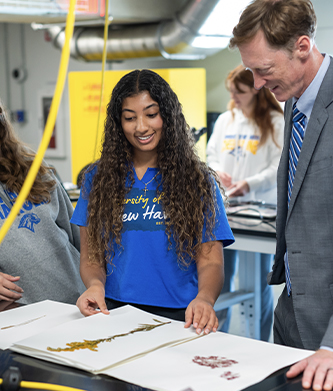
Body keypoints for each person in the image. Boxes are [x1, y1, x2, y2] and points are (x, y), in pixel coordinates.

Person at [230, 0, 333, 391]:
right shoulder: (295, 99)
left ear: (303, 47)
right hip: (293, 313)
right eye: (250, 71)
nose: (257, 84)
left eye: (264, 70)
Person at [71, 69, 234, 334]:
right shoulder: (97, 178)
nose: (141, 127)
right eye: (129, 118)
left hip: (182, 315)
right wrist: (95, 285)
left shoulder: (198, 180)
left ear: (166, 116)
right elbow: (91, 255)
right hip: (112, 310)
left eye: (151, 114)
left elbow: (211, 261)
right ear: (118, 123)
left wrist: (204, 298)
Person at [0, 73, 84, 305]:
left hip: (80, 301)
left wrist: (97, 286)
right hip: (18, 317)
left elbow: (77, 235)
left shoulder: (33, 168)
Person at [206, 65, 284, 340]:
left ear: (256, 89)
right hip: (226, 209)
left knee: (258, 282)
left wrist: (249, 184)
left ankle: (258, 340)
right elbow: (211, 154)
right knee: (221, 278)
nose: (233, 96)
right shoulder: (226, 120)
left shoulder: (275, 121)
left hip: (258, 211)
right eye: (231, 91)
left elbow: (279, 166)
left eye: (239, 91)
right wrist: (216, 172)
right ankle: (217, 337)